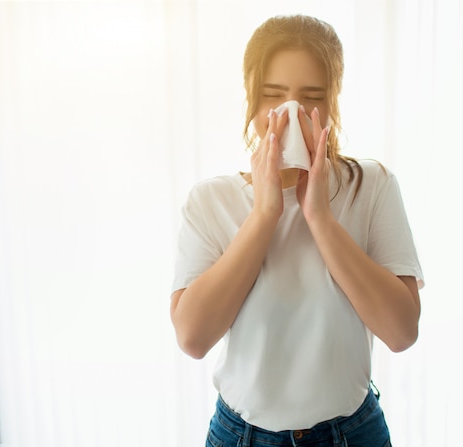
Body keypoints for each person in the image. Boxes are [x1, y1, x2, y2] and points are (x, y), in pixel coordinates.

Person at [170, 14, 424, 447]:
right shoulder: (210, 201)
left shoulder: (373, 185)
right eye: (272, 95)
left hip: (352, 432)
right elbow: (192, 337)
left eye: (312, 96)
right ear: (251, 101)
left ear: (332, 106)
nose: (290, 112)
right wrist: (265, 213)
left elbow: (402, 332)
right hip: (241, 434)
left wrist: (319, 217)